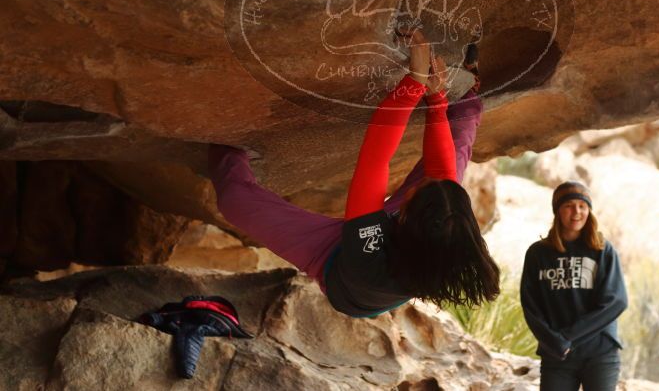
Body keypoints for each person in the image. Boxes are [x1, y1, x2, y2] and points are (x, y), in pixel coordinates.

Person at [208, 28, 499, 318]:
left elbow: (375, 159)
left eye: (414, 195)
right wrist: (436, 99)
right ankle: (471, 89)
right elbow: (441, 173)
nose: (414, 187)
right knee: (455, 144)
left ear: (407, 219)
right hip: (408, 245)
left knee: (234, 201)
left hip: (336, 267)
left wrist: (414, 82)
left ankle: (224, 147)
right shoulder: (450, 225)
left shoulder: (368, 256)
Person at [520, 181, 628, 391]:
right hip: (557, 356)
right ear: (557, 211)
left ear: (589, 210)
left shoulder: (602, 249)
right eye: (569, 205)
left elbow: (617, 302)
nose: (576, 212)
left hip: (600, 354)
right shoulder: (538, 253)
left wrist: (568, 337)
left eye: (582, 206)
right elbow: (530, 306)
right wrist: (554, 342)